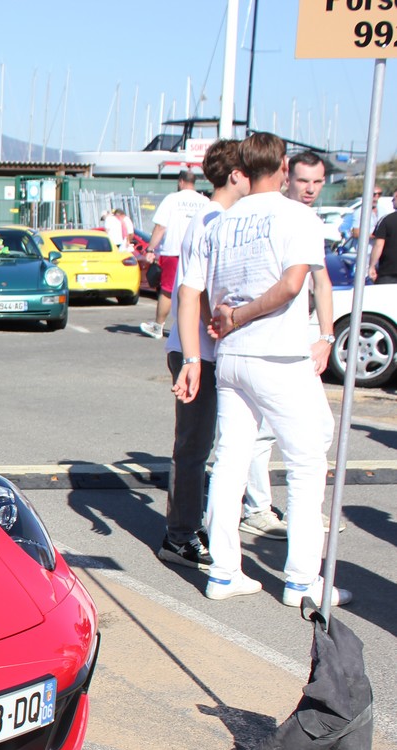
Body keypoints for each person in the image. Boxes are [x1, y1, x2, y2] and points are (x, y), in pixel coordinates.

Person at [175, 131, 346, 607]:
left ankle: (224, 572)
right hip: (278, 352)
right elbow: (293, 285)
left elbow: (190, 291)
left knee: (230, 460)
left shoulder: (219, 222)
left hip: (231, 357)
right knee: (307, 461)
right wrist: (239, 316)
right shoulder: (297, 215)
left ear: (244, 169)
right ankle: (302, 582)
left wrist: (199, 349)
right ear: (284, 167)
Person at [155, 139, 245, 568]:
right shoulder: (212, 220)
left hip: (203, 349)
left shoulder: (215, 217)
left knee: (203, 445)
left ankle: (193, 523)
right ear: (236, 175)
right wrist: (214, 324)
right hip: (198, 350)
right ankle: (179, 535)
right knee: (193, 447)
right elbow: (197, 288)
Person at [140, 169, 209, 339]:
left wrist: (150, 249)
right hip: (198, 252)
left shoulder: (172, 199)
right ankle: (197, 328)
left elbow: (160, 227)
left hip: (174, 250)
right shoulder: (205, 201)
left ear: (181, 182)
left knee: (168, 290)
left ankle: (158, 326)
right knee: (197, 290)